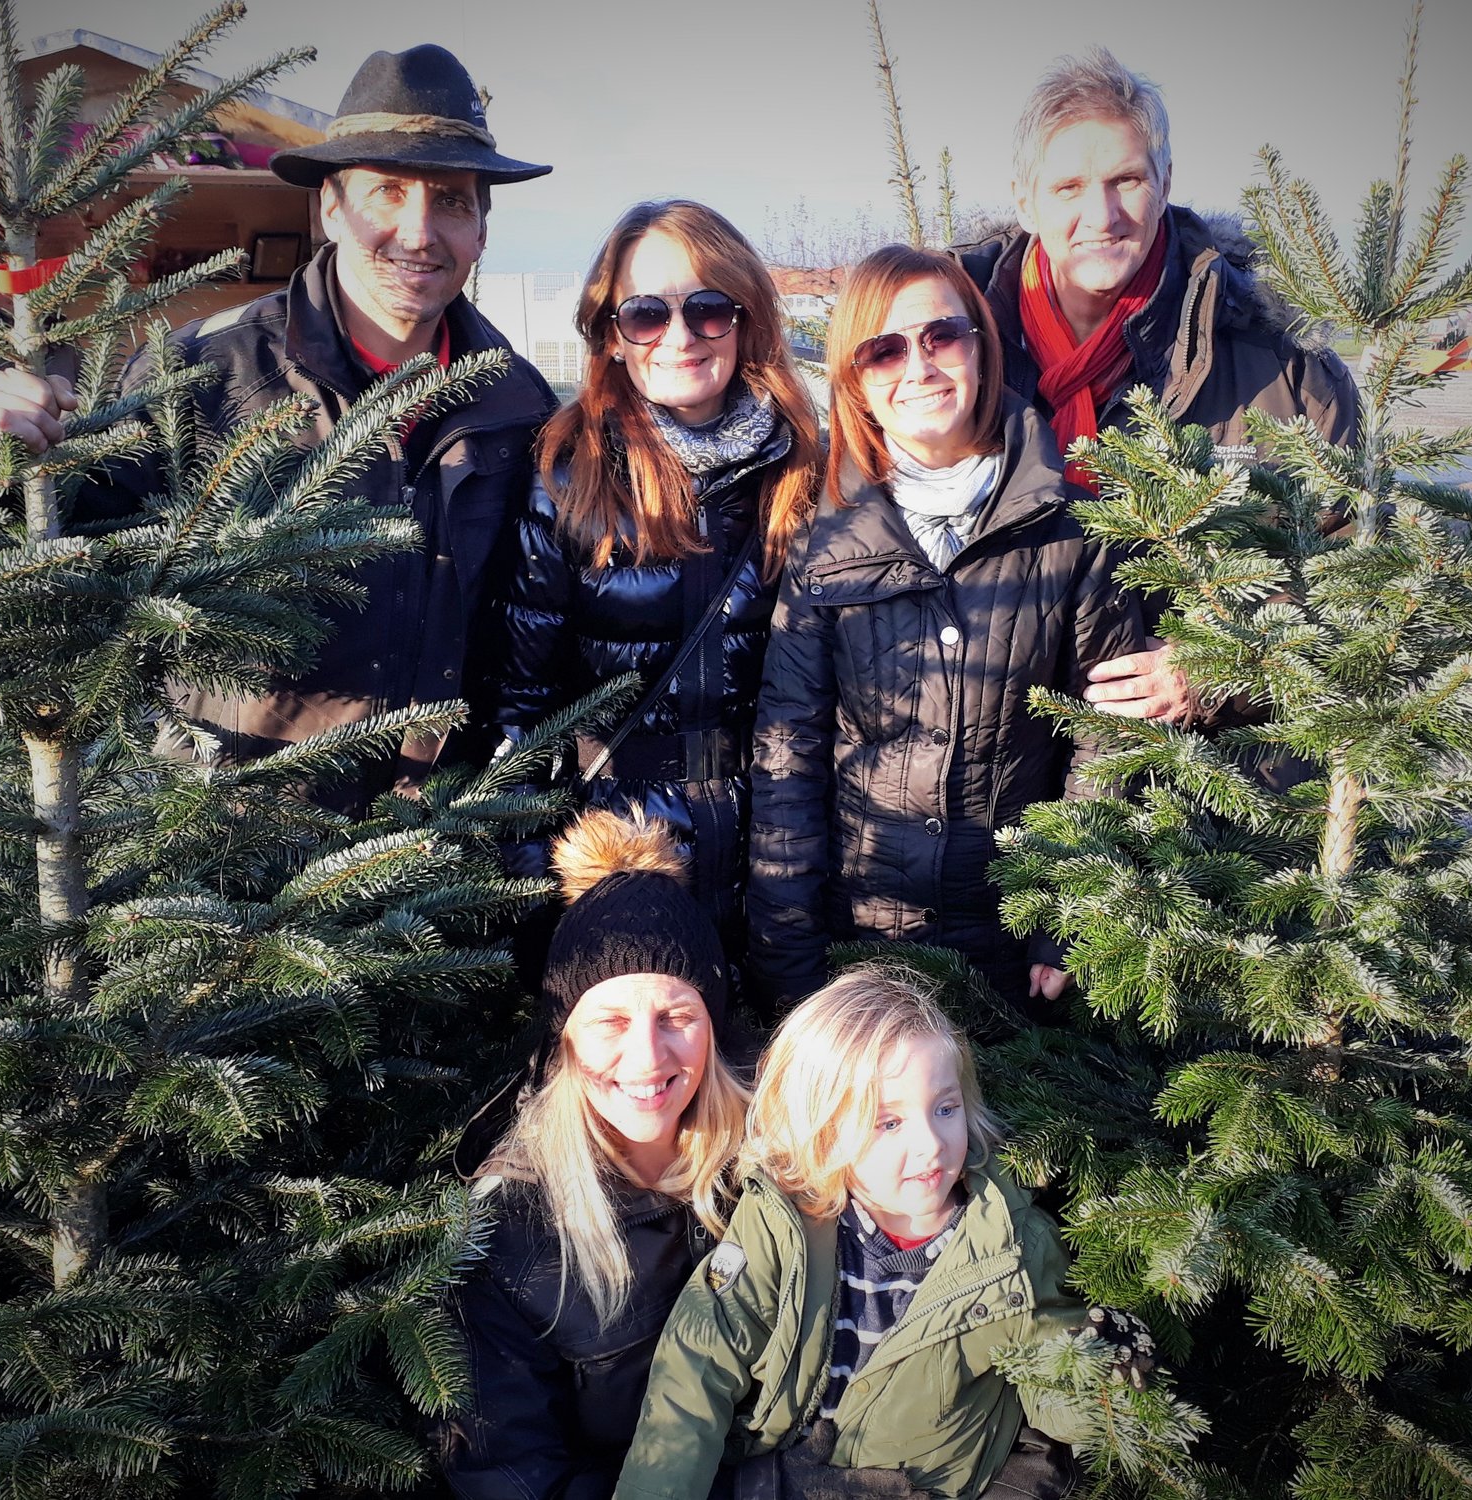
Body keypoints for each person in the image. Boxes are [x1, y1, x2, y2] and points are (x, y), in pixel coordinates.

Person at [0, 46, 557, 805]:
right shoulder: (205, 372)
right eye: (387, 192)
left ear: (482, 228)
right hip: (242, 840)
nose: (419, 232)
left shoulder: (516, 402)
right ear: (329, 209)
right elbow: (64, 544)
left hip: (446, 849)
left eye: (451, 200)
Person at [747, 247, 1141, 1011]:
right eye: (884, 349)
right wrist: (787, 959)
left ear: (981, 347)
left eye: (941, 336)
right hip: (859, 948)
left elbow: (1105, 735)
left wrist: (1067, 920)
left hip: (1008, 949)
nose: (919, 366)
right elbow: (787, 753)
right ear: (855, 379)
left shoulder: (1071, 528)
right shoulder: (824, 537)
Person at [614, 964, 1155, 1500]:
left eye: (945, 1108)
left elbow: (1054, 1394)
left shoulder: (1011, 1247)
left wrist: (1101, 1370)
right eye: (888, 1122)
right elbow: (694, 1372)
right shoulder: (779, 1228)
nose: (931, 1144)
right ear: (821, 1132)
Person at [952, 47, 1358, 732]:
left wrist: (1220, 666)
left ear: (1165, 181)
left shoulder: (1284, 369)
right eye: (1068, 187)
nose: (1102, 213)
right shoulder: (947, 359)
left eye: (1126, 180)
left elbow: (1357, 570)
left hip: (1205, 798)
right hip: (999, 788)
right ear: (1025, 202)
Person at [481, 200, 823, 966]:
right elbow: (522, 713)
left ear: (746, 319)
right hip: (624, 846)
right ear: (610, 332)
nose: (679, 337)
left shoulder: (804, 470)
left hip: (779, 842)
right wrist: (537, 896)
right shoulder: (569, 478)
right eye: (645, 313)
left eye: (708, 309)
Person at [442, 805, 748, 1500]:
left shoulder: (777, 1161)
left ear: (714, 1027)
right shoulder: (507, 1234)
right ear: (563, 1038)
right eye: (610, 1020)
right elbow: (511, 1476)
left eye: (677, 1017)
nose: (647, 1056)